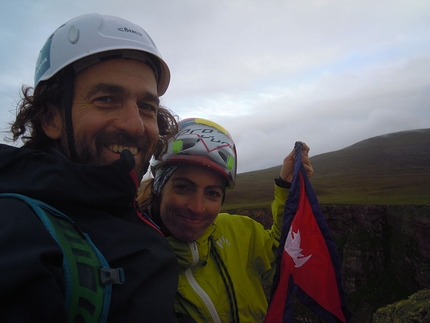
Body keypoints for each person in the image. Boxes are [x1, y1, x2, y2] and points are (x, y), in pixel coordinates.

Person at [0, 13, 181, 322]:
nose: (135, 125)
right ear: (51, 120)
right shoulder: (19, 231)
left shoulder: (124, 211)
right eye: (107, 99)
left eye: (146, 107)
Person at [137, 118, 314, 323]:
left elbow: (285, 253)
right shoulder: (134, 258)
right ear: (159, 187)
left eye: (212, 193)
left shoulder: (238, 230)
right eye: (182, 188)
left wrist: (287, 189)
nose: (197, 207)